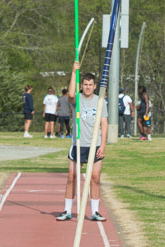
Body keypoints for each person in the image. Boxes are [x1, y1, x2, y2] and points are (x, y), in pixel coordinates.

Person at [56, 61, 108, 223]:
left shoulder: (101, 101)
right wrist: (73, 72)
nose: (87, 87)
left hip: (95, 144)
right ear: (82, 85)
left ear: (94, 86)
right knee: (72, 177)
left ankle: (95, 211)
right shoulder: (77, 99)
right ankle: (67, 210)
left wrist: (103, 145)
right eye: (85, 84)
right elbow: (70, 94)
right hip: (78, 144)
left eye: (90, 85)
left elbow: (104, 123)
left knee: (95, 177)